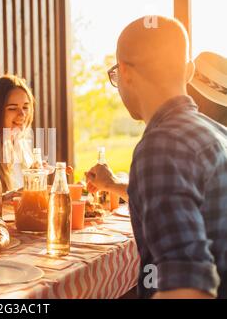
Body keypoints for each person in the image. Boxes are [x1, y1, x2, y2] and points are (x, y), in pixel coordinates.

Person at [88, 16, 227, 299]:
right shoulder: (217, 133)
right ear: (188, 71)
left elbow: (187, 289)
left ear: (124, 72)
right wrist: (115, 184)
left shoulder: (161, 146)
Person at [86, 51, 227, 199]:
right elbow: (163, 196)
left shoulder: (176, 142)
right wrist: (112, 183)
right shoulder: (215, 140)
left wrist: (112, 184)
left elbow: (160, 204)